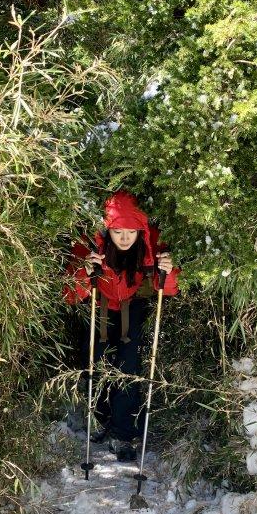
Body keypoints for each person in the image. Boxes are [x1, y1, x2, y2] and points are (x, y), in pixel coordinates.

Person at [63, 190, 180, 461]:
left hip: (132, 306)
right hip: (98, 305)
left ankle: (123, 435)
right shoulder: (90, 245)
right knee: (95, 361)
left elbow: (169, 289)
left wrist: (168, 271)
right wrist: (84, 272)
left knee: (129, 368)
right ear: (107, 230)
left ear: (140, 229)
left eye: (131, 231)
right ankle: (104, 420)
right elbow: (69, 294)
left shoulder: (150, 243)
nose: (125, 238)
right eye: (117, 232)